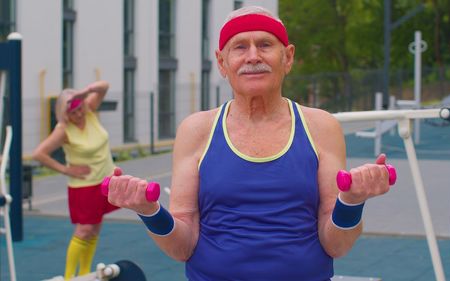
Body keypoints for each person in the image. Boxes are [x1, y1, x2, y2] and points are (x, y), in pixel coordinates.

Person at [106, 6, 391, 280]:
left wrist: (352, 201)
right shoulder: (197, 130)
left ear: (287, 57)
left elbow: (337, 245)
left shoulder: (320, 126)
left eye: (265, 44)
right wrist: (149, 211)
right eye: (240, 47)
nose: (253, 56)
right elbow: (182, 247)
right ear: (222, 62)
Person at [33, 80, 120, 279]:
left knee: (96, 228)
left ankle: (84, 273)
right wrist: (67, 170)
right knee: (84, 229)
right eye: (73, 112)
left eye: (79, 109)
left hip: (104, 180)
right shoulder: (63, 130)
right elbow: (39, 154)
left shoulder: (89, 109)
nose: (79, 114)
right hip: (84, 186)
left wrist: (84, 93)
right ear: (64, 114)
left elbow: (105, 86)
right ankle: (69, 276)